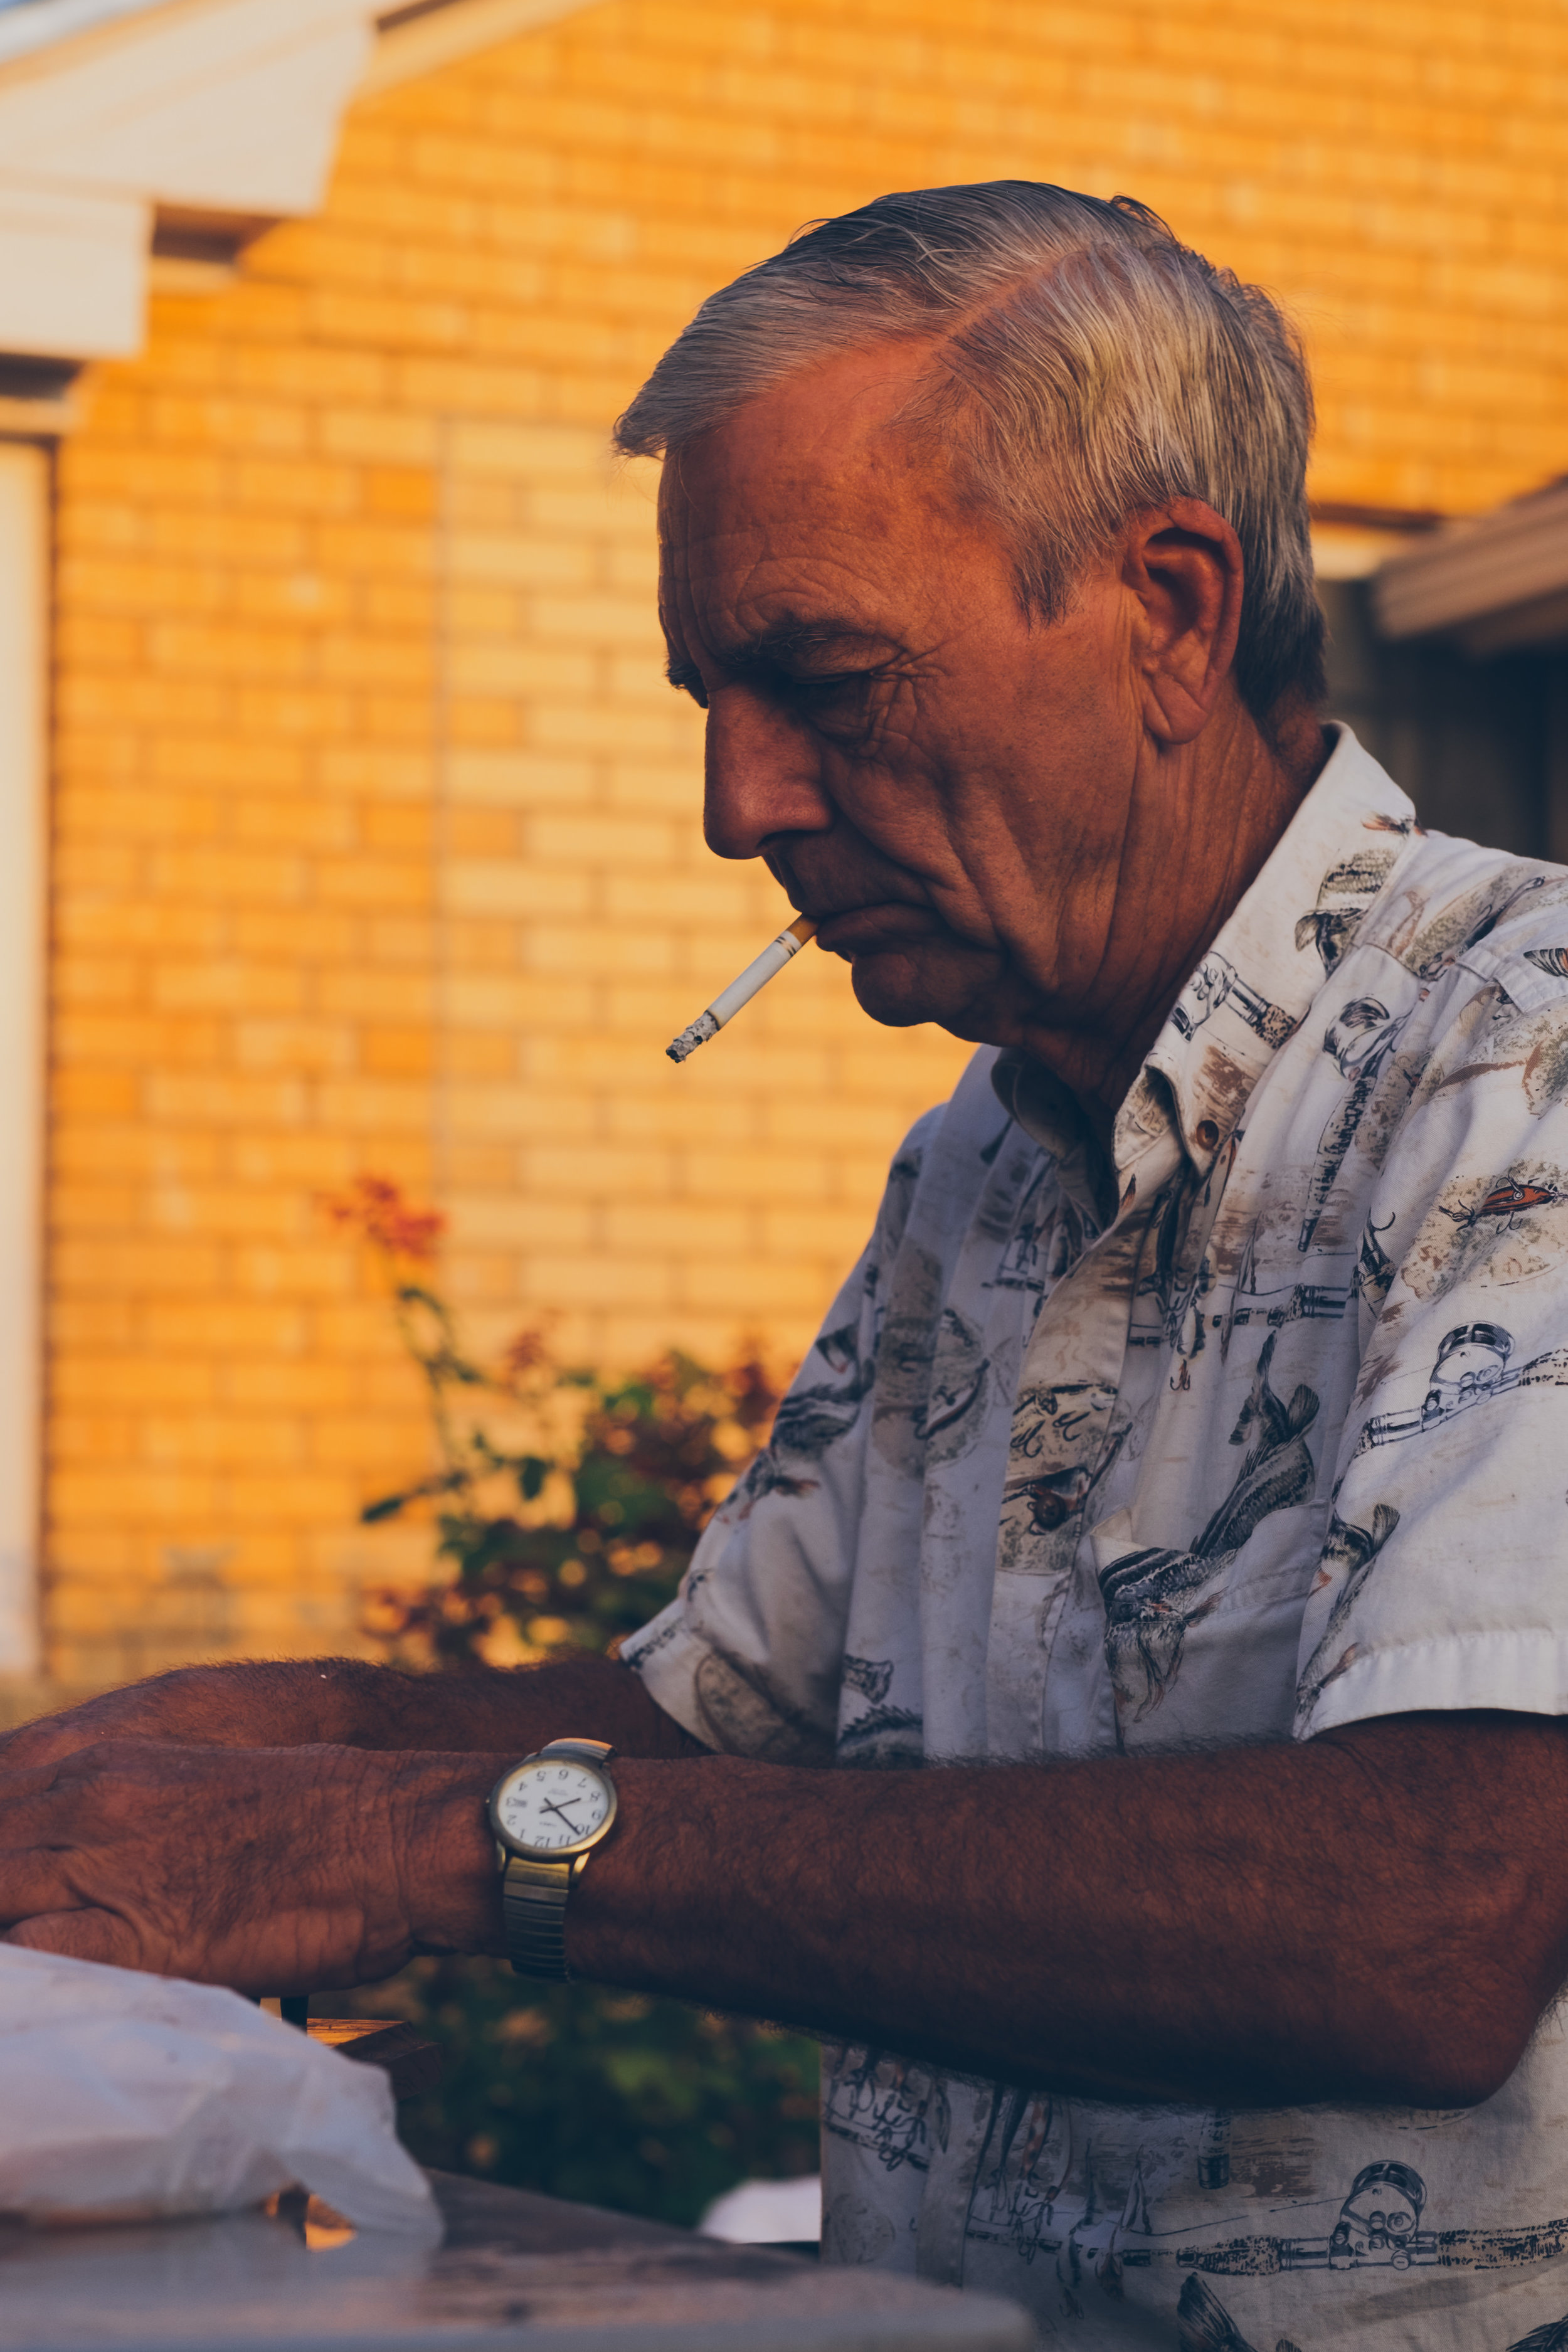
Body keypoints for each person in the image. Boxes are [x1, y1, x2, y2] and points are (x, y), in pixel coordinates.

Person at [6, 182, 1568, 2345]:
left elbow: (1425, 1918)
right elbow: (708, 1736)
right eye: (710, 696)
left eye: (822, 681)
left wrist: (411, 1844)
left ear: (1171, 612)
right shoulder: (984, 1159)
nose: (739, 802)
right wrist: (230, 1755)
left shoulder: (1530, 1054)